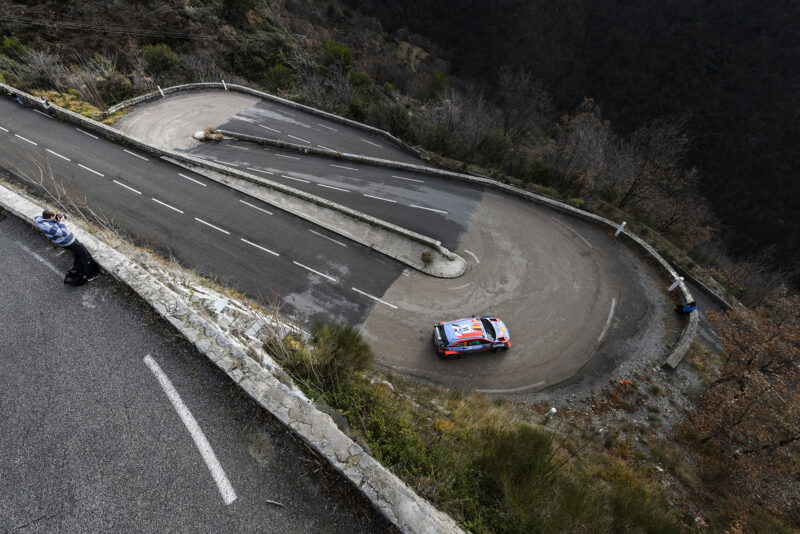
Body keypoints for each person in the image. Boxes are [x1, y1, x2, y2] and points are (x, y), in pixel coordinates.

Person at [34, 209, 100, 282]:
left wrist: (58, 219)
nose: (56, 216)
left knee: (78, 254)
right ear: (51, 217)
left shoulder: (43, 220)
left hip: (66, 241)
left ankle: (77, 267)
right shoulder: (49, 227)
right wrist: (61, 222)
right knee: (85, 255)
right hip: (68, 242)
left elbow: (55, 221)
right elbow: (64, 232)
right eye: (55, 215)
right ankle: (91, 275)